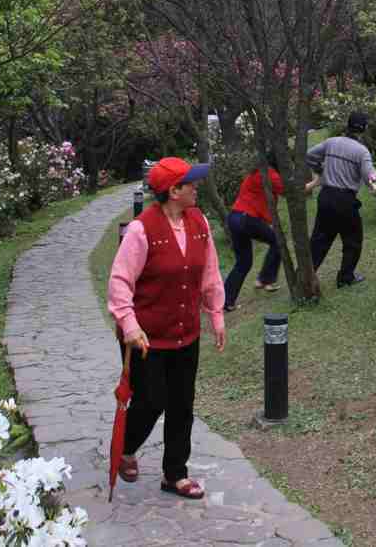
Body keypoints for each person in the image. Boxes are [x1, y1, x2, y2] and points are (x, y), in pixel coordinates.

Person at [107, 156, 227, 499]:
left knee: (182, 404)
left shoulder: (199, 221)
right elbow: (119, 282)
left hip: (185, 333)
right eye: (191, 183)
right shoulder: (141, 230)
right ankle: (126, 447)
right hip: (145, 337)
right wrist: (129, 326)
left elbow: (210, 272)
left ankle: (175, 474)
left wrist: (215, 314)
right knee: (151, 400)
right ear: (174, 191)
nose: (196, 187)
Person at [307, 111, 376, 288]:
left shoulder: (332, 142)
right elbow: (370, 178)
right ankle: (346, 277)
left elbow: (310, 155)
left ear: (348, 125)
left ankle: (306, 276)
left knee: (319, 239)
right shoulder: (362, 152)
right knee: (353, 239)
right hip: (345, 200)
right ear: (364, 129)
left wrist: (320, 170)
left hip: (326, 196)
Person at [222, 155, 284, 310]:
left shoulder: (255, 172)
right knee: (278, 241)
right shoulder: (270, 174)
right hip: (247, 218)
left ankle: (226, 302)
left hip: (235, 217)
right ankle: (265, 279)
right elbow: (291, 190)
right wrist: (317, 182)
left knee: (243, 262)